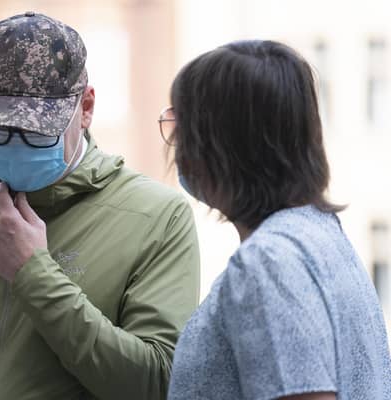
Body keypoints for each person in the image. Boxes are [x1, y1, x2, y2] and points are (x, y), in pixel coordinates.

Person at [0, 12, 200, 400]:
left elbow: (159, 384)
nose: (15, 142)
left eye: (36, 130)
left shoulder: (158, 217)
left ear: (85, 109)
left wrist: (32, 273)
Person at [162, 40, 391, 400]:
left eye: (183, 129)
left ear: (221, 147)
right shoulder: (320, 234)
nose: (176, 148)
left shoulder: (267, 263)